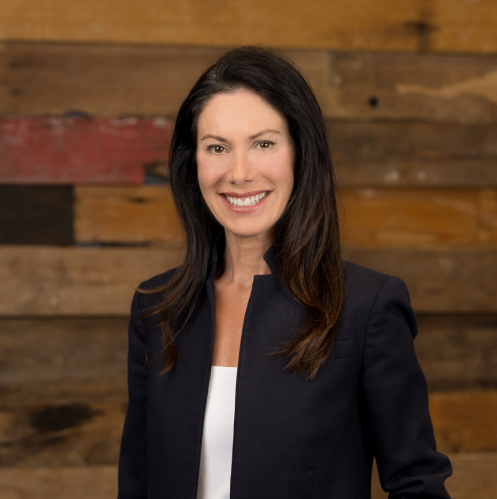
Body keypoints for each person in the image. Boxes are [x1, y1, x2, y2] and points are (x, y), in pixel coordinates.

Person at [117, 46, 452, 499]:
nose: (238, 173)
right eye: (217, 148)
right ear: (191, 162)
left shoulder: (367, 307)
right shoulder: (156, 307)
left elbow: (418, 484)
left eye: (263, 144)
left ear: (299, 153)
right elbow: (137, 481)